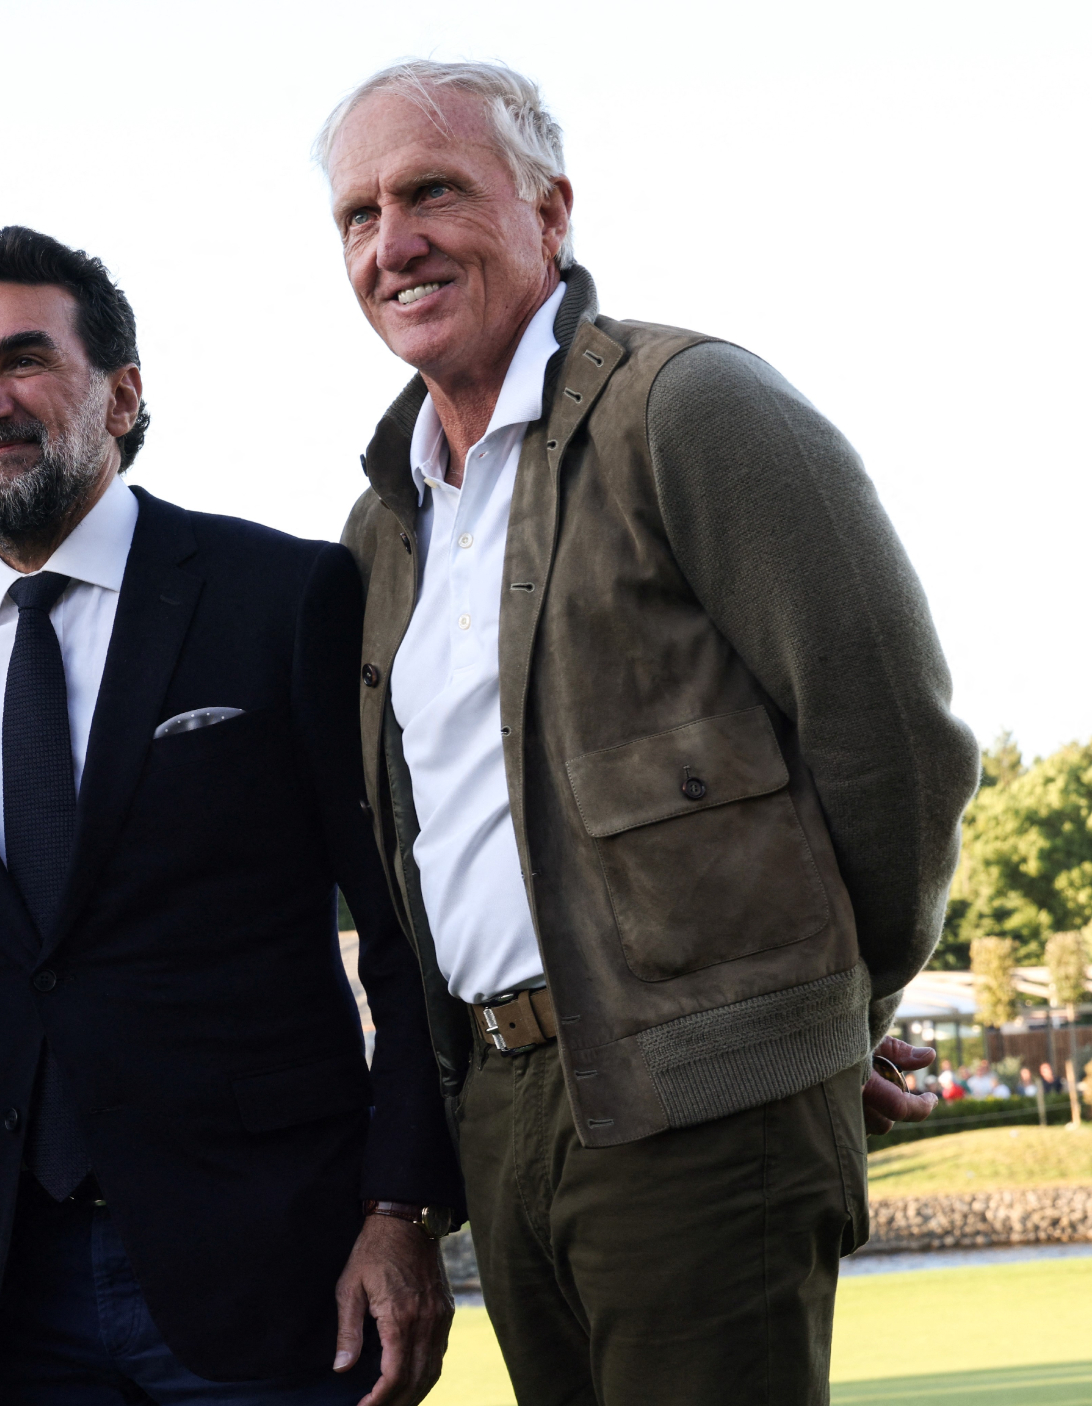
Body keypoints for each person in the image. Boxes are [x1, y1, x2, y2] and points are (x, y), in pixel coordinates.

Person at [316, 60, 977, 1403]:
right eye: (358, 215)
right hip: (498, 1112)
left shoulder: (691, 408)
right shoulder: (379, 528)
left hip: (706, 1114)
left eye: (433, 190)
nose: (395, 243)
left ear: (552, 213)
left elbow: (892, 740)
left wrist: (834, 1017)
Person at [0, 226, 462, 1406]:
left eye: (23, 358)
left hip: (271, 1270)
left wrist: (401, 1207)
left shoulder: (283, 598)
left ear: (121, 393)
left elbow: (402, 930)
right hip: (4, 1298)